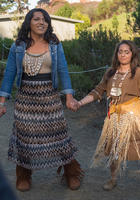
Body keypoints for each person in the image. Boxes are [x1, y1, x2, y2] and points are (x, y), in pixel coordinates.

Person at [0, 8, 83, 192]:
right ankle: (23, 176)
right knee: (24, 139)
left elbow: (63, 70)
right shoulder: (18, 46)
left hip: (50, 97)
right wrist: (2, 102)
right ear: (29, 22)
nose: (41, 22)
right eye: (37, 19)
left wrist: (69, 97)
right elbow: (9, 75)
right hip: (25, 100)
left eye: (45, 19)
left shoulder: (54, 44)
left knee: (60, 136)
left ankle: (72, 173)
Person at [77, 40, 140, 194]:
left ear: (132, 54)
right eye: (120, 51)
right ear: (116, 54)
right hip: (115, 116)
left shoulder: (138, 72)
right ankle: (113, 178)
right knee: (114, 149)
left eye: (127, 51)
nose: (123, 54)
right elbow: (98, 91)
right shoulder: (110, 72)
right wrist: (80, 103)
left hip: (133, 115)